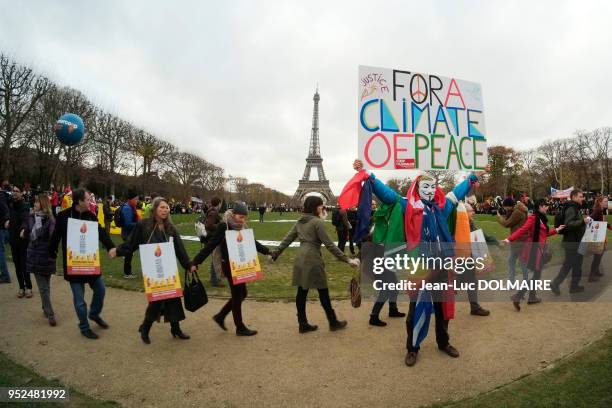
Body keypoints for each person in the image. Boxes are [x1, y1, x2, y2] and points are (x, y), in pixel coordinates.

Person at [351, 159, 480, 367]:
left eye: (432, 187)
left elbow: (457, 191)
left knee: (442, 308)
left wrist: (472, 176)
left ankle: (443, 342)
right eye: (425, 187)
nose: (429, 191)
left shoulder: (442, 207)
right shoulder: (407, 206)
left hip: (442, 265)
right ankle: (412, 348)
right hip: (420, 266)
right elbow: (388, 195)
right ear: (417, 189)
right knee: (415, 309)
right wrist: (369, 176)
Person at [110, 197, 196, 344]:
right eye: (162, 207)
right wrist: (118, 251)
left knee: (173, 298)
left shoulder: (171, 228)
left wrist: (188, 264)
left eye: (167, 207)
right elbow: (132, 243)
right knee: (157, 300)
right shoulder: (143, 225)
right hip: (153, 270)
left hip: (168, 270)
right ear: (155, 209)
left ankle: (175, 329)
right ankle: (145, 328)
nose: (165, 210)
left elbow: (179, 249)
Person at [271, 196, 360, 333]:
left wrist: (276, 253)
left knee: (302, 291)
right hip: (312, 258)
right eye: (320, 206)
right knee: (323, 290)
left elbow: (288, 238)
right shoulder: (317, 222)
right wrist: (347, 259)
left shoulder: (301, 221)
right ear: (314, 207)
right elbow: (330, 245)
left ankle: (302, 323)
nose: (322, 208)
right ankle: (333, 321)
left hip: (300, 257)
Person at [192, 202, 271, 336]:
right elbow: (211, 245)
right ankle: (239, 327)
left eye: (245, 217)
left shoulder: (241, 227)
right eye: (240, 217)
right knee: (237, 295)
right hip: (229, 265)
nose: (243, 220)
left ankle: (221, 316)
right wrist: (196, 261)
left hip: (241, 265)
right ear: (233, 214)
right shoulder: (224, 226)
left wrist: (267, 251)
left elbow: (252, 241)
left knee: (242, 294)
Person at [48, 188, 116, 339]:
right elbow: (55, 237)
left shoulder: (91, 217)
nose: (91, 202)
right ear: (79, 201)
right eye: (88, 199)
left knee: (101, 289)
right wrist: (51, 252)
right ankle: (84, 327)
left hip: (90, 264)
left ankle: (94, 314)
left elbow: (102, 233)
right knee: (80, 301)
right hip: (74, 266)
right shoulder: (63, 217)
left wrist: (111, 246)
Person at [503, 199, 565, 310]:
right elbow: (522, 230)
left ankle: (530, 297)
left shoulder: (541, 219)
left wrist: (556, 230)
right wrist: (509, 239)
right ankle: (519, 296)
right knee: (536, 275)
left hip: (539, 250)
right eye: (546, 206)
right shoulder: (533, 218)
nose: (547, 208)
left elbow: (544, 234)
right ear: (540, 206)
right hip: (534, 251)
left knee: (536, 275)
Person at [23, 194, 57, 326]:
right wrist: (24, 229)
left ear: (43, 204)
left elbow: (53, 237)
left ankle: (44, 308)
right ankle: (50, 314)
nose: (34, 205)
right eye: (34, 203)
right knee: (43, 288)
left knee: (46, 286)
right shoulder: (31, 217)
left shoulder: (51, 220)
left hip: (47, 256)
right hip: (35, 256)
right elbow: (26, 227)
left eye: (37, 203)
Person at [551, 190, 587, 295]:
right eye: (580, 196)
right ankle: (556, 283)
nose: (582, 198)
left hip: (575, 241)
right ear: (574, 197)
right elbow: (569, 223)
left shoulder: (575, 207)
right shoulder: (571, 208)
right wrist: (582, 221)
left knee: (576, 265)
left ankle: (574, 286)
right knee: (569, 265)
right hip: (572, 242)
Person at [459, 203, 491, 316]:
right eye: (471, 211)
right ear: (465, 212)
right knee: (459, 283)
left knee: (469, 282)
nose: (474, 212)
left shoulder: (469, 223)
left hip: (467, 258)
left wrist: (494, 241)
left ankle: (474, 307)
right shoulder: (464, 224)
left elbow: (480, 235)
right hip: (464, 258)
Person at [496, 197, 529, 282]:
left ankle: (523, 282)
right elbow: (509, 220)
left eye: (505, 207)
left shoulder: (518, 212)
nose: (504, 208)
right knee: (515, 262)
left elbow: (507, 223)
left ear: (509, 206)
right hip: (518, 240)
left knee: (521, 263)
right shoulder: (518, 210)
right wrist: (508, 213)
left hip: (519, 241)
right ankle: (516, 282)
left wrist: (499, 217)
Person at [9, 187, 32, 298]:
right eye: (13, 191)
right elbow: (6, 216)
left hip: (22, 239)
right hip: (13, 239)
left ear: (21, 194)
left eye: (17, 191)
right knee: (17, 265)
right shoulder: (11, 206)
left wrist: (23, 229)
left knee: (24, 265)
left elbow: (25, 219)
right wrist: (6, 220)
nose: (14, 193)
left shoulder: (25, 206)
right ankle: (21, 287)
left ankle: (29, 287)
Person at [588, 195, 612, 282]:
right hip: (597, 237)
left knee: (599, 255)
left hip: (599, 236)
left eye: (607, 201)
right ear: (600, 202)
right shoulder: (598, 210)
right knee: (597, 257)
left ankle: (596, 271)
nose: (607, 203)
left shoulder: (601, 211)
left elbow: (603, 223)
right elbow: (590, 219)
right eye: (605, 201)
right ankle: (591, 276)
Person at [204, 196, 224, 287]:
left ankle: (213, 279)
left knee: (214, 258)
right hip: (213, 237)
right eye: (220, 203)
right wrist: (220, 226)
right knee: (215, 259)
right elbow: (209, 225)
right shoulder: (213, 212)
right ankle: (214, 280)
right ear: (218, 203)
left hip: (212, 237)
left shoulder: (211, 211)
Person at [120, 191, 140, 279]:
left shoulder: (131, 207)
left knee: (130, 252)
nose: (137, 201)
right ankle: (127, 273)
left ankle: (128, 271)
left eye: (137, 199)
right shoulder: (127, 208)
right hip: (127, 234)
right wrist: (139, 224)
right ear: (130, 200)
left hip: (130, 234)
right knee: (129, 253)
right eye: (135, 199)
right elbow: (128, 223)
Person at [0, 187, 11, 284]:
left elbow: (6, 210)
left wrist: (7, 220)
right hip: (2, 228)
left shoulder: (1, 197)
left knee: (1, 251)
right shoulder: (3, 196)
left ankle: (5, 274)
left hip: (1, 228)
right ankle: (4, 274)